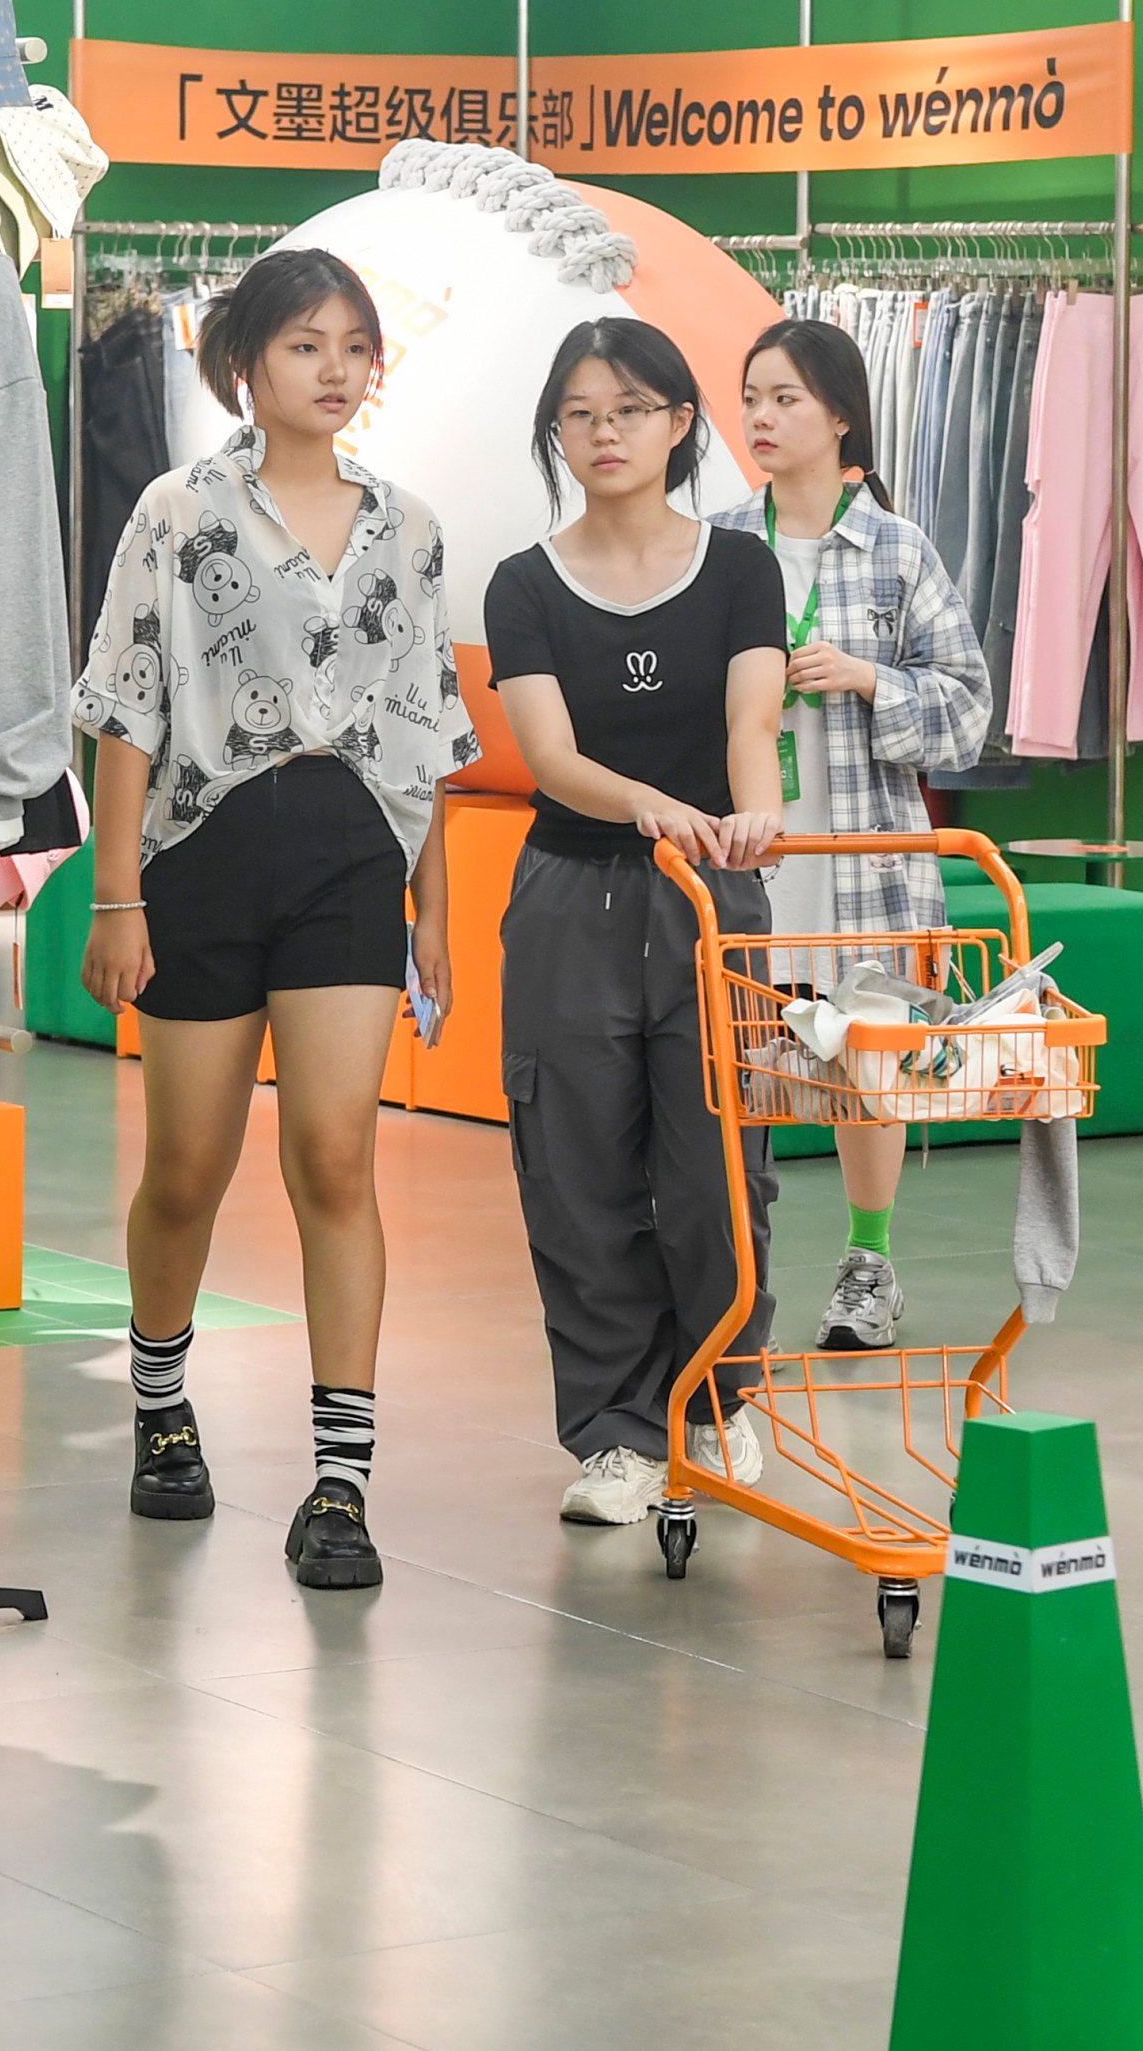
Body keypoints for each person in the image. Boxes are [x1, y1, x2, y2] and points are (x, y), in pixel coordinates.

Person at [71, 248, 475, 1594]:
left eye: (356, 344)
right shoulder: (175, 510)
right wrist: (116, 891)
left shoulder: (409, 529)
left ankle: (340, 1482)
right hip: (197, 855)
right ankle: (159, 1398)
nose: (337, 368)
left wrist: (431, 907)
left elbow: (427, 729)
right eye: (306, 343)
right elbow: (125, 704)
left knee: (333, 1156)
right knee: (187, 1165)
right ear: (244, 358)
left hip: (350, 856)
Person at [484, 318, 790, 1527]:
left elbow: (752, 724)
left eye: (632, 408)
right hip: (573, 894)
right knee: (576, 1169)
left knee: (722, 1165)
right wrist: (653, 806)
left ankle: (718, 1402)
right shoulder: (524, 583)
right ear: (556, 433)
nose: (606, 433)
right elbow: (550, 756)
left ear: (679, 424)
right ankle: (615, 1432)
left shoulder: (740, 567)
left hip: (715, 894)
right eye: (580, 413)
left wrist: (750, 815)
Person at [714, 320, 992, 1351]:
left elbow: (969, 708)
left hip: (868, 858)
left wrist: (871, 678)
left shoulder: (896, 548)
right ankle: (734, 1267)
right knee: (741, 1058)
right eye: (751, 397)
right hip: (752, 853)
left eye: (784, 397)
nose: (761, 417)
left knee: (869, 1067)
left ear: (839, 414)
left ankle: (868, 1268)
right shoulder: (716, 542)